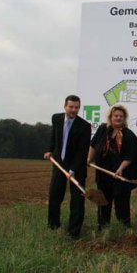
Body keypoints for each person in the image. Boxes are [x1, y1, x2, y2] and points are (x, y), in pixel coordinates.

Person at [44, 95, 91, 239]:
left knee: (77, 200)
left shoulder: (84, 126)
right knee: (54, 195)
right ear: (65, 106)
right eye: (71, 107)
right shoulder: (56, 118)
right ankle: (53, 226)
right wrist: (50, 150)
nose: (74, 110)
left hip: (77, 166)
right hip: (59, 163)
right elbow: (54, 136)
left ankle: (74, 232)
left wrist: (73, 170)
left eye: (77, 107)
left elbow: (82, 151)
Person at [87, 104, 137, 230]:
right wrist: (89, 159)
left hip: (121, 175)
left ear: (124, 118)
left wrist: (121, 168)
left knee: (121, 202)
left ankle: (125, 228)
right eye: (116, 115)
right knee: (103, 201)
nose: (118, 118)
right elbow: (93, 145)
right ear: (110, 117)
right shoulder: (102, 130)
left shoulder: (129, 136)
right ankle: (102, 227)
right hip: (103, 174)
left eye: (121, 116)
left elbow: (130, 156)